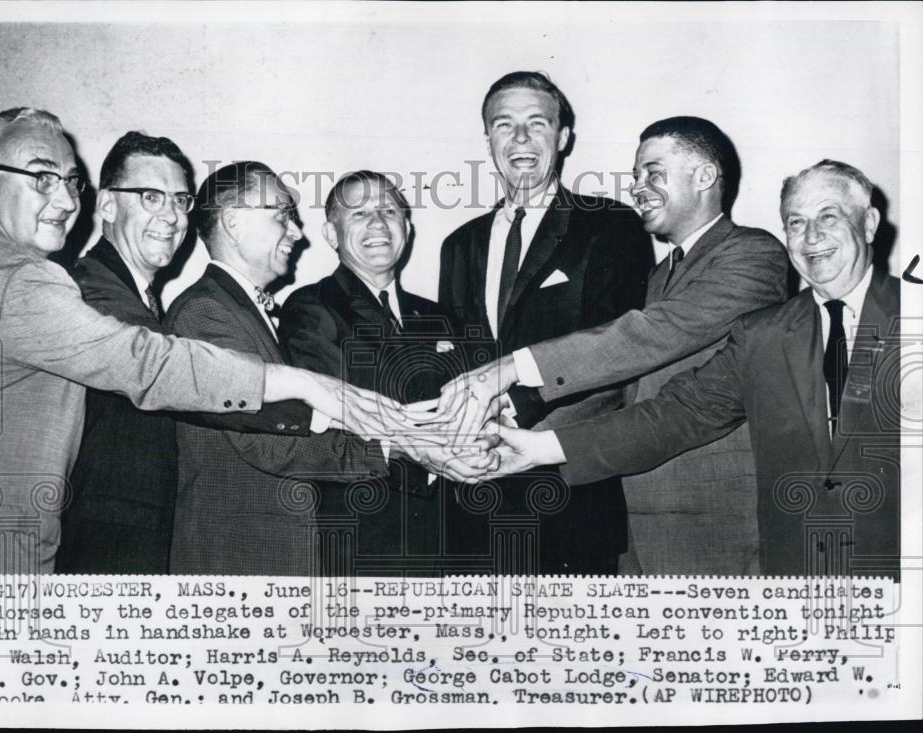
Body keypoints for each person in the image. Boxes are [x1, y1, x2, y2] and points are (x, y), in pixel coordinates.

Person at [0, 108, 401, 578]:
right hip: (84, 553)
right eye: (149, 196)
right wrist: (310, 388)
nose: (64, 200)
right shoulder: (69, 287)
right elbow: (153, 366)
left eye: (181, 200)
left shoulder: (1, 266)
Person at [487, 160, 901, 580]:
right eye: (796, 222)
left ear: (868, 224)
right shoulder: (764, 334)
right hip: (794, 576)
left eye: (828, 217)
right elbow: (674, 415)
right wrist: (536, 451)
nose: (811, 237)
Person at [437, 71, 654, 574]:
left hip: (568, 495)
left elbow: (617, 355)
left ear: (562, 137)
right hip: (473, 499)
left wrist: (508, 414)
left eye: (537, 123)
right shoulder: (458, 245)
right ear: (487, 138)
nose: (519, 138)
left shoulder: (611, 226)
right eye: (503, 124)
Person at [165, 163, 423, 575]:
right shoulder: (206, 312)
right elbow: (266, 442)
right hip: (239, 558)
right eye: (282, 215)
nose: (297, 233)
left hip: (266, 553)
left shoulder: (237, 308)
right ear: (234, 222)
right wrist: (392, 450)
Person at [279, 171, 487, 575]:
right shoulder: (310, 308)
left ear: (406, 228)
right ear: (331, 234)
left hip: (452, 531)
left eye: (389, 210)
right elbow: (349, 414)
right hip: (367, 533)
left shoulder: (438, 315)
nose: (377, 223)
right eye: (358, 214)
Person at [53, 131, 195, 573]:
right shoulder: (88, 289)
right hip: (107, 546)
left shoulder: (142, 298)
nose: (170, 215)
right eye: (151, 196)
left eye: (180, 199)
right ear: (109, 205)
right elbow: (172, 371)